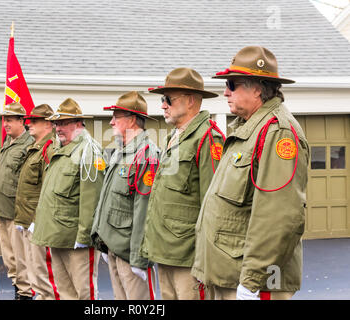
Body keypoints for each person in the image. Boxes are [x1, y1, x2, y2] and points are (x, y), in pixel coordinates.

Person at [191, 46, 310, 300]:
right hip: (229, 276)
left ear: (257, 88)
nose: (225, 92)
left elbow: (279, 217)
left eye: (232, 84)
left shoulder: (278, 132)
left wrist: (252, 282)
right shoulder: (247, 130)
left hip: (253, 284)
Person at [140, 67, 225, 300]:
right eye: (162, 99)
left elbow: (214, 205)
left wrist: (207, 260)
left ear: (189, 101)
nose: (163, 105)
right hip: (166, 251)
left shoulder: (208, 138)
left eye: (168, 99)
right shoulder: (175, 137)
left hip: (190, 257)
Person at [31, 98, 105, 300]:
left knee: (84, 293)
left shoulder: (88, 152)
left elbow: (93, 200)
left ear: (78, 124)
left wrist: (84, 238)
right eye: (56, 123)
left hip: (75, 240)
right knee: (64, 293)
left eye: (63, 123)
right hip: (57, 236)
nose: (58, 128)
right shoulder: (62, 150)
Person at [91, 91, 160, 300]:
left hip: (130, 252)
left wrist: (139, 258)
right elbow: (107, 198)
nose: (111, 122)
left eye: (116, 117)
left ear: (131, 120)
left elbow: (144, 210)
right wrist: (101, 235)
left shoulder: (146, 154)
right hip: (114, 246)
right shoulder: (121, 152)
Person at [0, 102, 34, 299]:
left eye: (10, 120)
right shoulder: (8, 141)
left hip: (16, 211)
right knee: (9, 259)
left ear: (21, 121)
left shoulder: (29, 144)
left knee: (20, 258)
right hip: (1, 209)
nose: (5, 124)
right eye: (4, 119)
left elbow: (28, 181)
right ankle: (18, 288)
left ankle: (24, 293)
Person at [13, 103, 57, 300]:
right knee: (32, 275)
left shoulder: (49, 149)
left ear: (48, 124)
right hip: (27, 220)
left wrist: (38, 220)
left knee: (43, 277)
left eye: (35, 120)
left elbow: (50, 189)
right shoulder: (35, 148)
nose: (29, 123)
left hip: (37, 222)